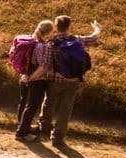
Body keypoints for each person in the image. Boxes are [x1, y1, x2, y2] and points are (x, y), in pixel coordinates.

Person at [36, 16, 101, 146]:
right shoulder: (78, 39)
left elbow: (47, 65)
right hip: (73, 81)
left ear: (55, 27)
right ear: (69, 26)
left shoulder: (51, 43)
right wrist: (97, 28)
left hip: (55, 80)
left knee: (48, 102)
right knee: (65, 109)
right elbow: (93, 38)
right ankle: (58, 137)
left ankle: (44, 127)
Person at [14, 19, 54, 142]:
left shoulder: (29, 40)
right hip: (36, 80)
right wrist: (31, 78)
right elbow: (43, 67)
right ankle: (22, 133)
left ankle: (22, 126)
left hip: (24, 76)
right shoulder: (42, 46)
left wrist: (25, 76)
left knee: (24, 103)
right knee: (31, 107)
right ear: (49, 32)